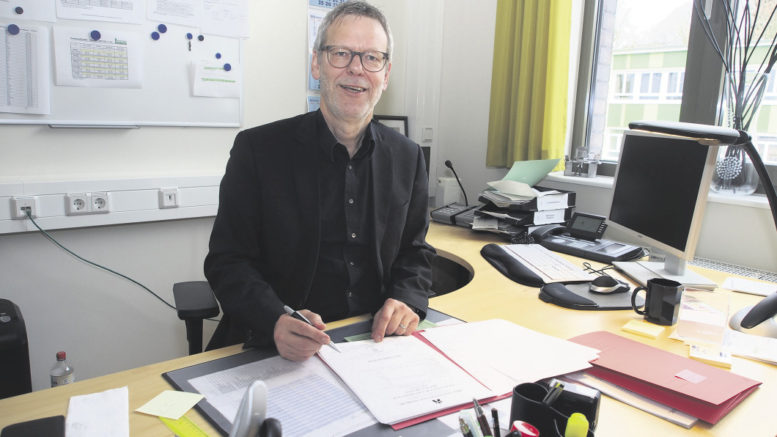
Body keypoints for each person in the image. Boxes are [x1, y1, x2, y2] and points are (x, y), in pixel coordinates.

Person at [204, 1, 434, 362]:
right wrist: (274, 319)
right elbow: (227, 261)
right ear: (317, 63)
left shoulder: (408, 157)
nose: (356, 69)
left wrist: (407, 298)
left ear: (386, 74)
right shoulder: (258, 150)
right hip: (277, 346)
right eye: (341, 53)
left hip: (372, 346)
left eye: (372, 58)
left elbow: (415, 251)